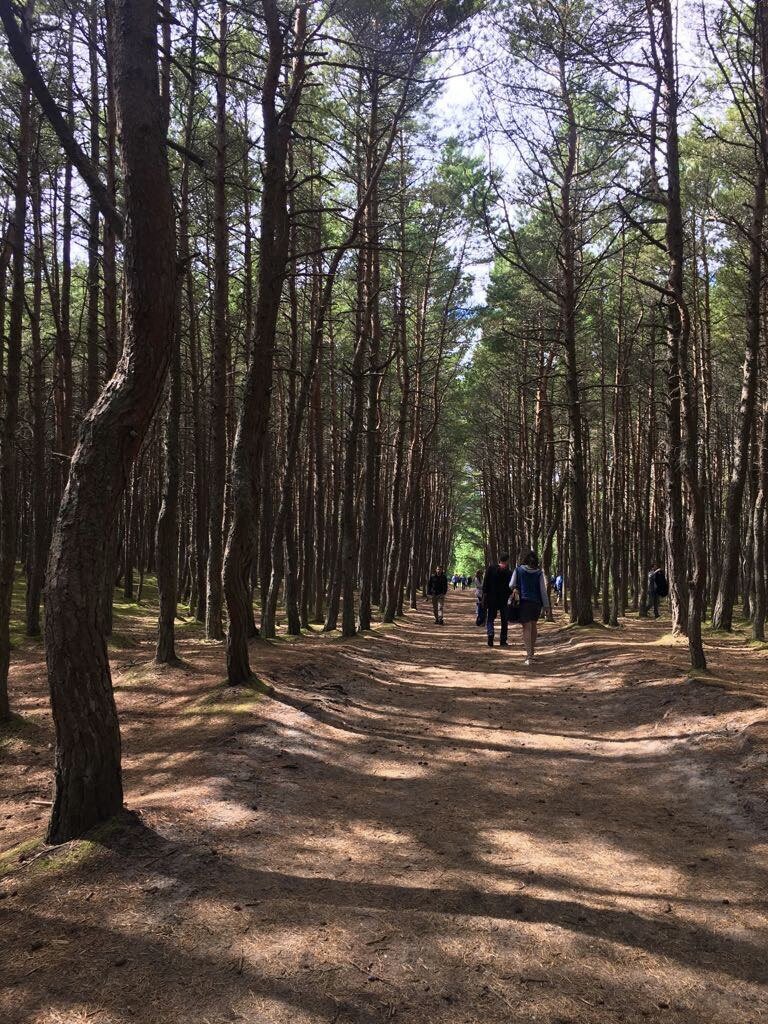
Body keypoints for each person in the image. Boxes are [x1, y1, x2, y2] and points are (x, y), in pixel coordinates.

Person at [510, 550, 550, 666]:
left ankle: (528, 656)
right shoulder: (539, 573)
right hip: (536, 603)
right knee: (533, 626)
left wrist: (517, 588)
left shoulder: (518, 570)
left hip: (524, 602)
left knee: (526, 628)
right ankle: (532, 652)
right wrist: (546, 605)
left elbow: (511, 584)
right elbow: (543, 590)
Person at [483, 554, 513, 647]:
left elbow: (485, 583)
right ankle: (503, 640)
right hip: (504, 600)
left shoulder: (491, 569)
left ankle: (490, 635)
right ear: (507, 561)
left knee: (490, 618)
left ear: (499, 560)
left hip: (492, 598)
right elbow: (510, 587)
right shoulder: (509, 572)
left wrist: (485, 594)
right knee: (504, 620)